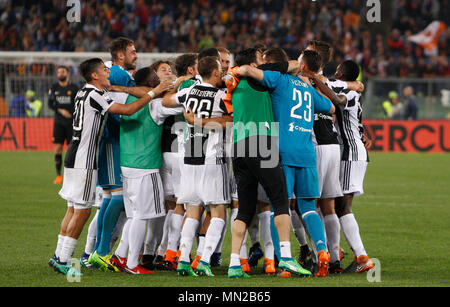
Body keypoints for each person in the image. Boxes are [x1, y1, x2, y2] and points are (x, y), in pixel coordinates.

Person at [48, 58, 165, 277]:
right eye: (104, 69)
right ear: (94, 75)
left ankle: (58, 255)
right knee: (82, 211)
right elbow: (127, 110)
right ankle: (65, 259)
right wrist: (153, 93)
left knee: (72, 208)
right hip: (85, 158)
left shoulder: (83, 92)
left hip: (74, 155)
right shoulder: (96, 95)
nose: (107, 72)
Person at [235, 49, 340, 277]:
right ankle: (322, 251)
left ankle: (283, 261)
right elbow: (332, 107)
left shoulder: (280, 80)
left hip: (281, 151)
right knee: (308, 208)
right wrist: (312, 86)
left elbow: (256, 75)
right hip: (306, 153)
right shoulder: (308, 90)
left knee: (278, 207)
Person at [226, 47, 311, 278]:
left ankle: (234, 263)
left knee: (244, 209)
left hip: (239, 145)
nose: (264, 61)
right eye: (260, 59)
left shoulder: (236, 84)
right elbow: (294, 64)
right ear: (253, 65)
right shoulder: (257, 78)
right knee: (280, 200)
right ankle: (285, 258)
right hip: (260, 141)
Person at [114, 66, 184, 274]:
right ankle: (133, 264)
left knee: (134, 214)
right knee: (142, 216)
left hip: (127, 165)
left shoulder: (125, 100)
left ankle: (119, 255)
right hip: (146, 167)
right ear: (153, 83)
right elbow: (179, 104)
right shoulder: (154, 105)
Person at [305, 40, 364, 274]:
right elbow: (356, 87)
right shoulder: (334, 83)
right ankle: (333, 256)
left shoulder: (324, 82)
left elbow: (348, 92)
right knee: (330, 204)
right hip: (334, 149)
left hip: (322, 147)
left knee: (317, 204)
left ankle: (333, 255)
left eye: (306, 53)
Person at [173, 56, 232, 277]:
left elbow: (169, 100)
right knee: (218, 212)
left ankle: (183, 259)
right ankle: (205, 260)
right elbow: (229, 121)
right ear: (215, 73)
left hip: (190, 156)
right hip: (212, 157)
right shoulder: (221, 95)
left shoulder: (190, 91)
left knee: (193, 211)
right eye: (221, 69)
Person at [87, 37, 138, 271]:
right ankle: (102, 251)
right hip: (112, 141)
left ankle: (96, 252)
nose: (135, 55)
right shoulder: (118, 73)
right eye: (132, 51)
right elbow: (129, 99)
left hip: (111, 142)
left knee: (110, 197)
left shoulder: (114, 72)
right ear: (120, 55)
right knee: (116, 197)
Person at [332, 60, 375, 274]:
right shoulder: (353, 93)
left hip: (350, 153)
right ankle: (338, 251)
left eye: (338, 68)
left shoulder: (348, 93)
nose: (335, 70)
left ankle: (362, 256)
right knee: (337, 205)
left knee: (343, 207)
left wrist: (318, 83)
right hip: (352, 152)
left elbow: (336, 98)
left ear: (341, 73)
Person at [161, 53, 200, 270]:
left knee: (178, 203)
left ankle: (169, 251)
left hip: (172, 148)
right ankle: (183, 253)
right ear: (191, 70)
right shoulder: (195, 85)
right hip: (189, 148)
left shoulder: (176, 87)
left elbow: (166, 100)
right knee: (192, 204)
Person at [48, 65, 79, 184]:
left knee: (72, 149)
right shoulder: (54, 87)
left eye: (63, 72)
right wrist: (61, 111)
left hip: (71, 123)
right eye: (59, 72)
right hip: (59, 122)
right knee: (58, 148)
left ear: (67, 74)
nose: (60, 74)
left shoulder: (74, 87)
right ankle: (58, 175)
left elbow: (78, 104)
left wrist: (70, 113)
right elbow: (50, 104)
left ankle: (72, 174)